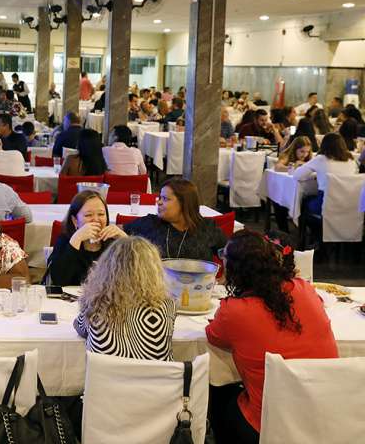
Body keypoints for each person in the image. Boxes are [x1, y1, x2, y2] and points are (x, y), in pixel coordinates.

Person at [206, 231, 338, 443]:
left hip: (268, 424)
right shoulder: (303, 288)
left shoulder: (235, 311)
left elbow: (213, 337)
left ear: (235, 270)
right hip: (324, 415)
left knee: (220, 391)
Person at [74, 236, 176, 360]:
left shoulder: (97, 303)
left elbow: (80, 328)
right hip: (156, 378)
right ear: (154, 269)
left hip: (105, 378)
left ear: (106, 268)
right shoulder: (168, 305)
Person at [125, 178, 225, 261]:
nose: (159, 202)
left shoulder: (207, 227)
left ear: (184, 203)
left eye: (165, 199)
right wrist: (123, 237)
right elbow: (119, 232)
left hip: (198, 284)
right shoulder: (150, 222)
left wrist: (225, 276)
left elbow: (230, 255)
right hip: (156, 284)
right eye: (160, 198)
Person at [47, 190, 127, 286]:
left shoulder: (113, 241)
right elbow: (59, 281)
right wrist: (76, 239)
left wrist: (125, 240)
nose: (96, 219)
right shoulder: (65, 240)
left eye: (101, 214)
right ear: (75, 220)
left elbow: (135, 276)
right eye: (88, 215)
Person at [292, 132, 358, 215]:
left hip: (325, 204)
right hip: (348, 204)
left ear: (324, 145)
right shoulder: (351, 160)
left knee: (304, 201)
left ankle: (313, 227)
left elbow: (297, 176)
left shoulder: (321, 159)